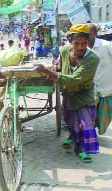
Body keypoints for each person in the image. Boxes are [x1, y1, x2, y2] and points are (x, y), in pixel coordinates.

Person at [35, 24, 100, 163]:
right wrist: (54, 67)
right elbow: (59, 65)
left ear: (88, 42)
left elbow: (73, 80)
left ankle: (80, 149)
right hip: (67, 93)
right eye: (77, 43)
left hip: (84, 93)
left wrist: (47, 72)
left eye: (84, 43)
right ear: (70, 42)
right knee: (71, 122)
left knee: (86, 123)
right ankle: (73, 138)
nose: (81, 47)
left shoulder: (93, 58)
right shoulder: (64, 50)